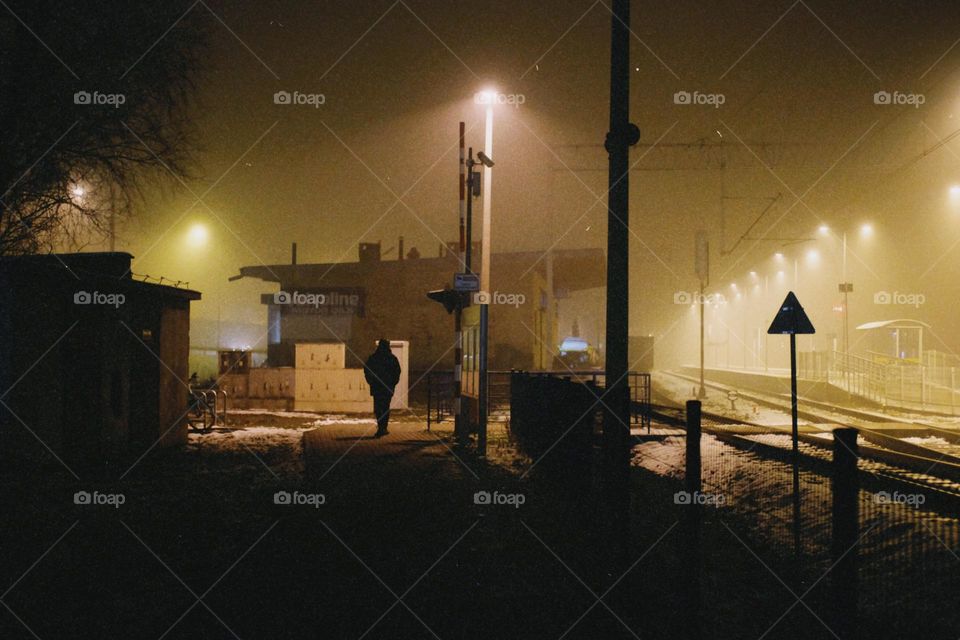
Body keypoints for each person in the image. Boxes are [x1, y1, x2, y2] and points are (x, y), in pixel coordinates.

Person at [364, 339, 401, 437]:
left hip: (377, 387)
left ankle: (381, 427)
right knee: (385, 407)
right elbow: (397, 372)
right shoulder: (392, 358)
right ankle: (383, 427)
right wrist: (393, 383)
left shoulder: (373, 358)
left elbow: (367, 370)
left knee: (378, 407)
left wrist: (371, 382)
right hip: (387, 387)